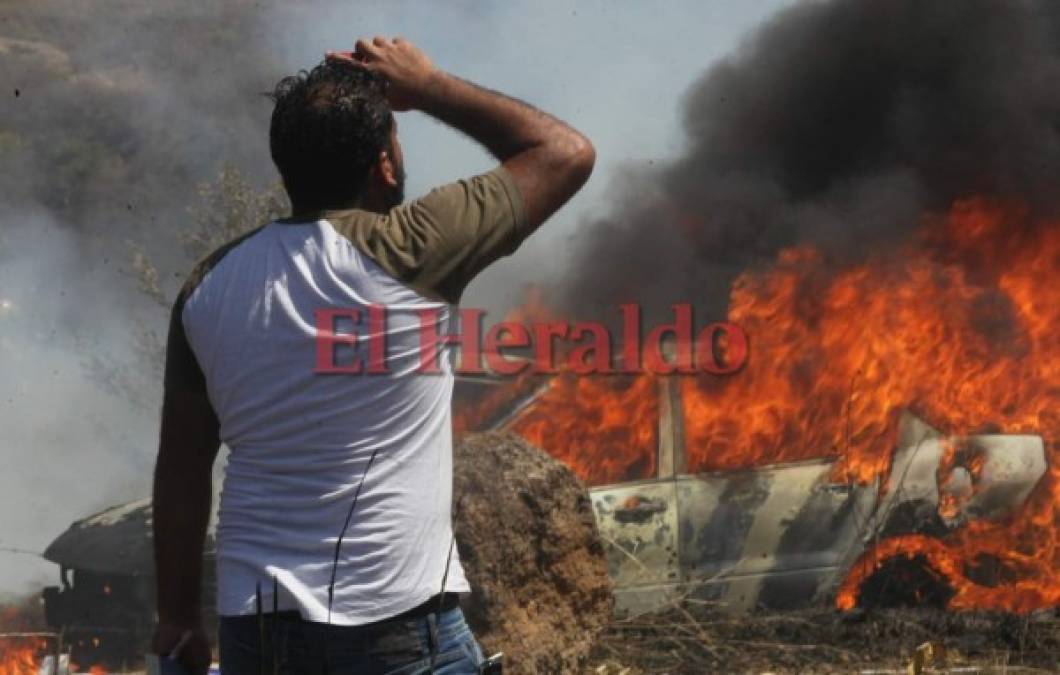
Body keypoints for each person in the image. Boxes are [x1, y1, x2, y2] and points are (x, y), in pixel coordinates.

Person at [149, 36, 594, 674]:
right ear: (384, 165)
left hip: (255, 629)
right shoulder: (416, 248)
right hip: (396, 628)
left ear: (286, 170)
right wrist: (429, 85)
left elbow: (183, 469)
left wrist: (177, 619)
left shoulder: (208, 287)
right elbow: (564, 153)